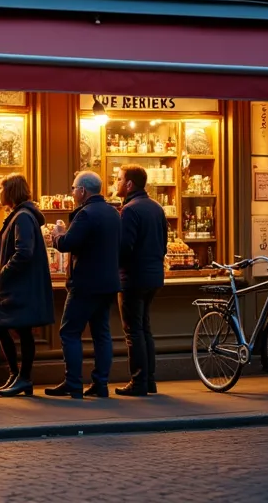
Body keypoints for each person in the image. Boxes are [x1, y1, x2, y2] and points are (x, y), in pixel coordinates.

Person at [49, 171, 121, 399]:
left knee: (69, 331)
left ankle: (73, 382)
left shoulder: (85, 214)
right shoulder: (113, 212)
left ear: (82, 190)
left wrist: (58, 234)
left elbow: (67, 244)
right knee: (102, 333)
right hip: (108, 282)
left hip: (85, 283)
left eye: (73, 188)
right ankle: (101, 383)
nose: (72, 192)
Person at [0, 174, 54, 397]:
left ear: (11, 191)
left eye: (1, 189)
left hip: (19, 285)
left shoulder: (23, 217)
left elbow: (24, 251)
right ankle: (18, 375)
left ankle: (22, 377)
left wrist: (5, 271)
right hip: (19, 284)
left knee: (15, 329)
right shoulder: (21, 215)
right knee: (10, 328)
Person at [114, 164, 168, 397]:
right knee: (144, 328)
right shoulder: (156, 208)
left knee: (133, 331)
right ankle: (149, 380)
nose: (115, 183)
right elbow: (164, 244)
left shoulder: (129, 210)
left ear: (129, 184)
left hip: (133, 277)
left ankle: (138, 382)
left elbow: (124, 247)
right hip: (154, 276)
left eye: (118, 179)